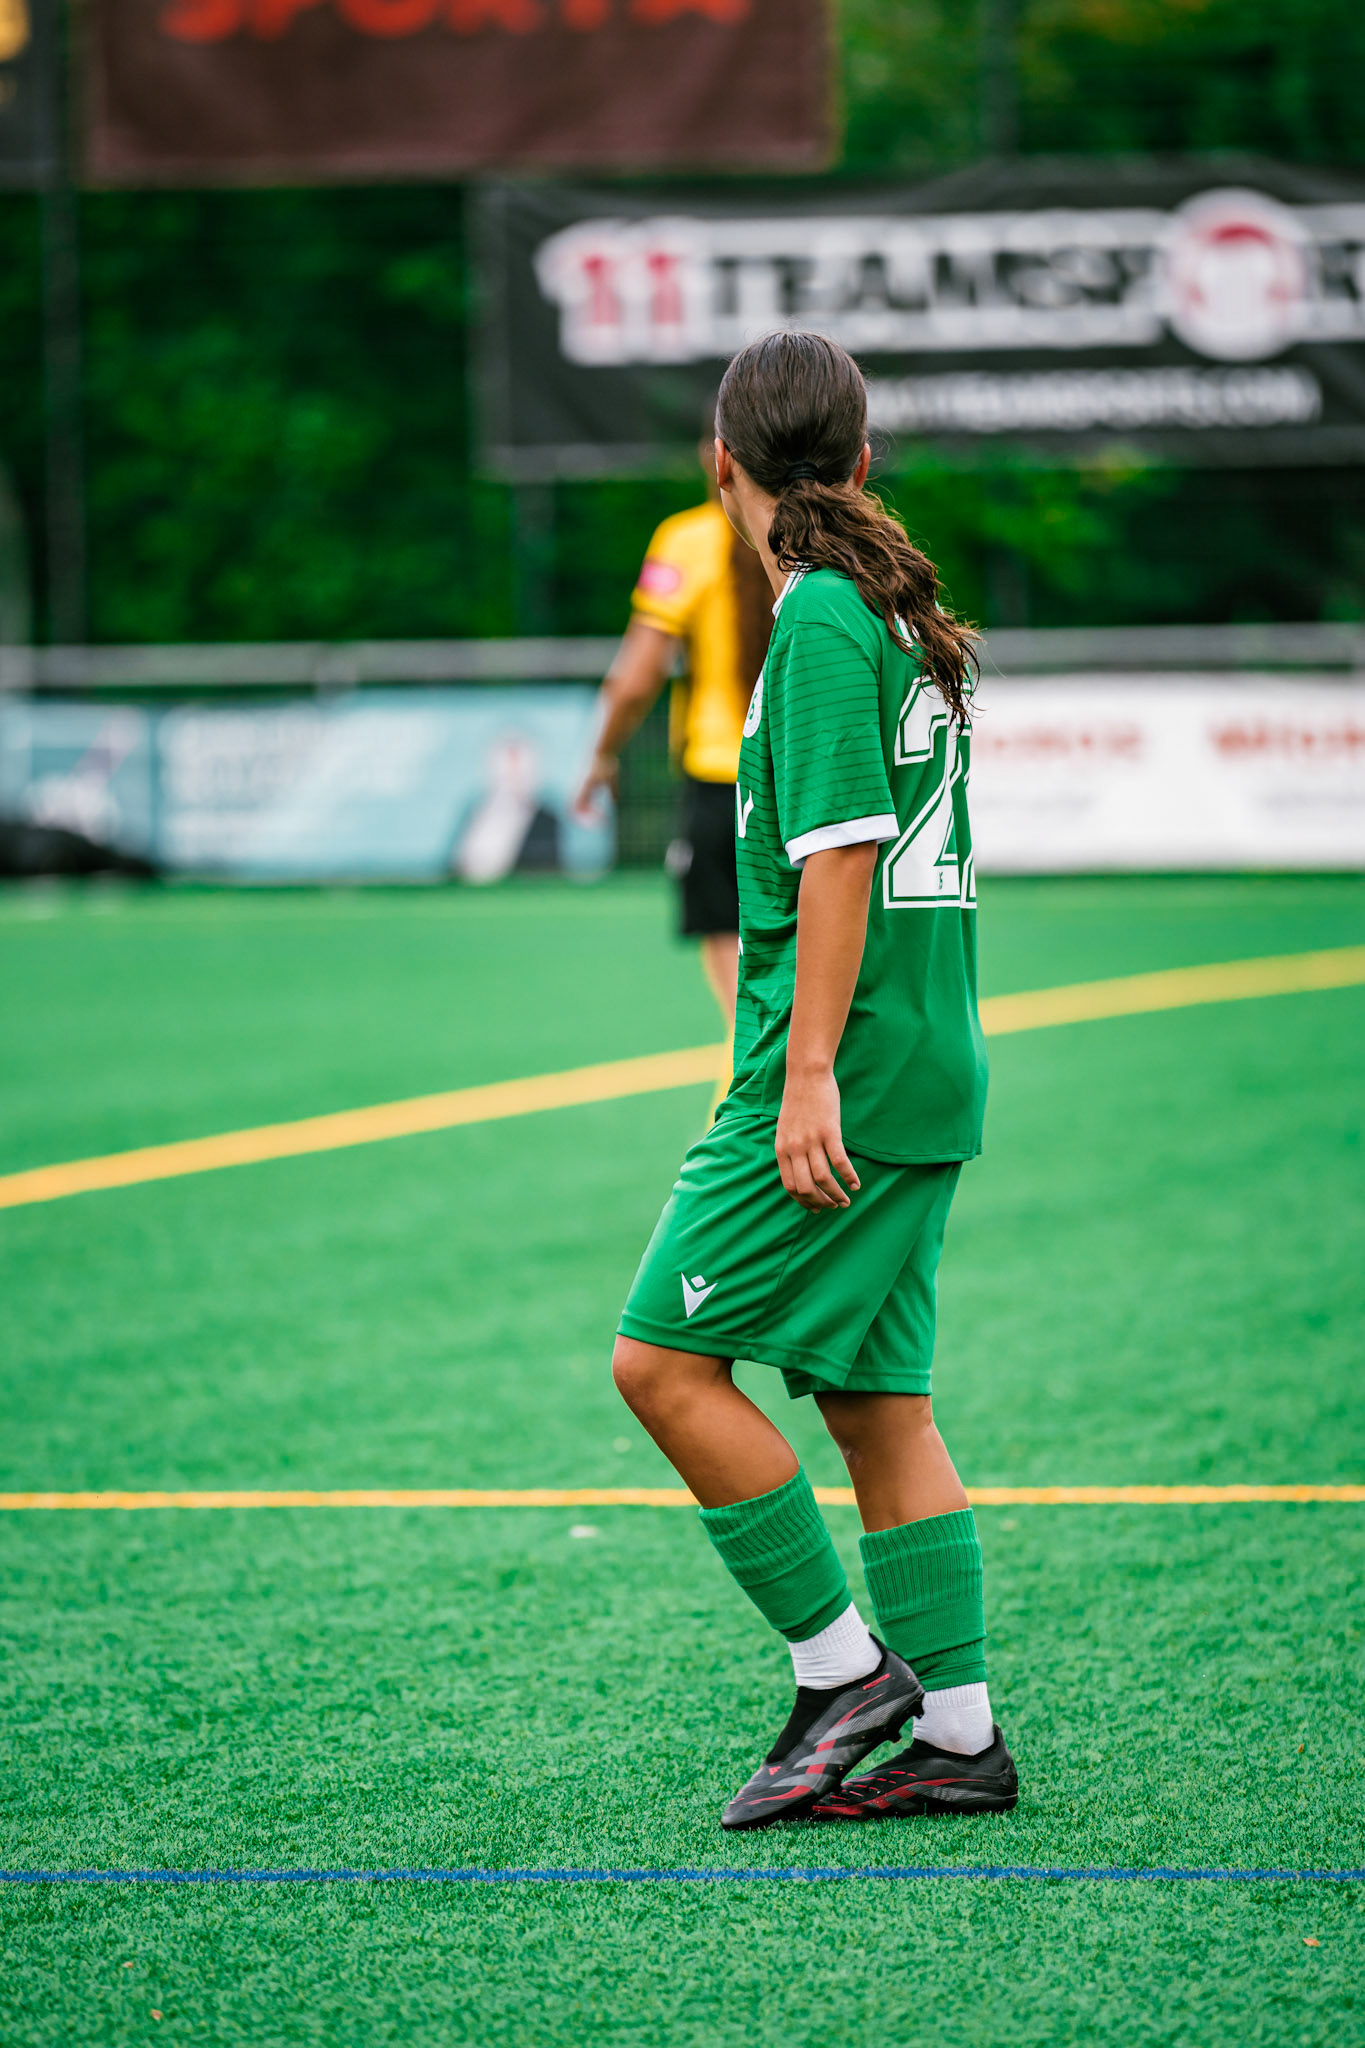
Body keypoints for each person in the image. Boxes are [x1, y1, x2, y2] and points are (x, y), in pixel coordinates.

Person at [610, 332, 1018, 1831]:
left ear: (721, 468)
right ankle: (959, 1734)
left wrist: (801, 1080)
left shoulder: (826, 624)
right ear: (859, 460)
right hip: (925, 1065)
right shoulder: (886, 609)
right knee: (872, 1400)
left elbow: (839, 852)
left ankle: (844, 1672)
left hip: (850, 1071)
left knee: (659, 1364)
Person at [575, 424, 774, 1030]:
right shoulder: (826, 537)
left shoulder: (685, 541)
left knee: (742, 1009)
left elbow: (636, 678)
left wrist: (602, 755)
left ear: (717, 458)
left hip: (721, 776)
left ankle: (764, 1104)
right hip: (802, 775)